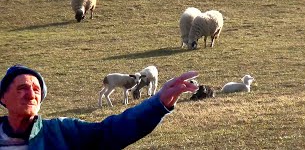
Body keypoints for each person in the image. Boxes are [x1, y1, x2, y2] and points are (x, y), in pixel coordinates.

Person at [0, 64, 198, 149]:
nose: (31, 94)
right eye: (22, 88)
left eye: (37, 90)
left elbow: (110, 131)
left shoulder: (60, 132)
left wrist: (157, 104)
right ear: (3, 97)